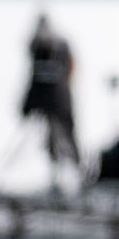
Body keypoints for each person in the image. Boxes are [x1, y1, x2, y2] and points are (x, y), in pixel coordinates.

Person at [21, 13, 80, 169]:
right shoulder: (54, 45)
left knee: (64, 134)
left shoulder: (41, 45)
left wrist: (28, 104)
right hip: (59, 99)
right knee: (61, 135)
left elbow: (36, 80)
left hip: (57, 99)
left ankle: (72, 167)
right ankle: (65, 166)